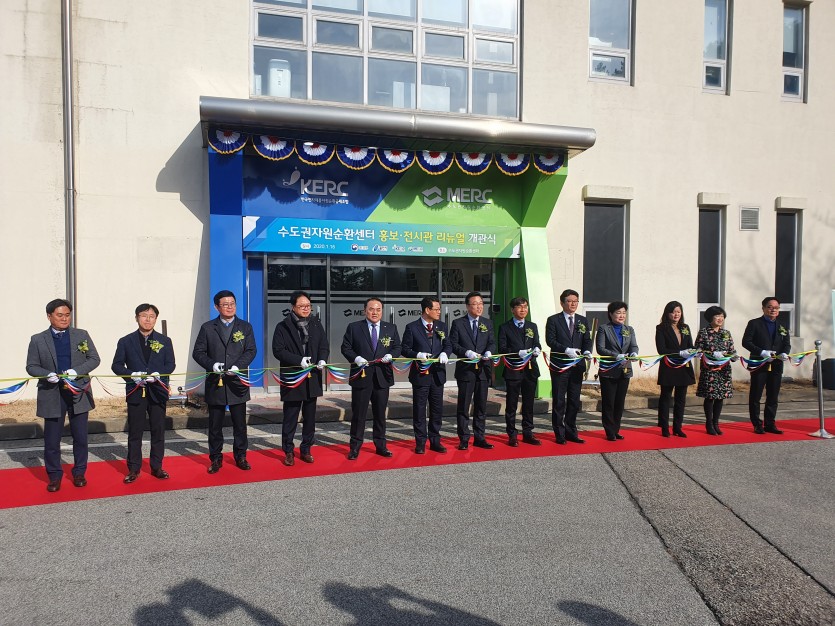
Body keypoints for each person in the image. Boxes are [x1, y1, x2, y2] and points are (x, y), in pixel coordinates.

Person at [26, 299, 101, 492]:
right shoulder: (37, 339)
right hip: (52, 393)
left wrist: (77, 371)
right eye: (60, 315)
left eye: (67, 315)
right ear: (49, 316)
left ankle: (79, 472)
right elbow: (31, 366)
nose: (64, 318)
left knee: (80, 436)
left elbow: (94, 359)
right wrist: (46, 375)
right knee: (52, 439)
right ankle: (54, 476)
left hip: (78, 391)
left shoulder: (81, 335)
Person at [192, 290, 257, 474]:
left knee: (240, 425)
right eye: (225, 304)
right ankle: (215, 458)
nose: (230, 307)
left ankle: (241, 456)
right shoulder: (207, 328)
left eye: (232, 303)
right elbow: (198, 352)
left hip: (237, 383)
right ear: (217, 307)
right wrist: (212, 365)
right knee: (215, 425)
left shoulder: (245, 327)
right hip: (216, 382)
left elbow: (251, 350)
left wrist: (238, 366)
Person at [111, 303, 176, 483]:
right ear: (137, 318)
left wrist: (159, 374)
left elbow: (171, 364)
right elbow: (116, 365)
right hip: (136, 390)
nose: (148, 320)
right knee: (135, 431)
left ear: (156, 319)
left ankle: (157, 466)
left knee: (158, 430)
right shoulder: (126, 341)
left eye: (152, 316)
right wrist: (131, 375)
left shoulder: (165, 341)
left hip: (157, 391)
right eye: (144, 316)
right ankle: (133, 469)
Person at [272, 290, 329, 466]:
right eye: (302, 306)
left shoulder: (316, 324)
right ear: (293, 307)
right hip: (293, 377)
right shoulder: (283, 326)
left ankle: (306, 449)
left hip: (312, 377)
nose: (306, 309)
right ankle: (288, 451)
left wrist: (322, 359)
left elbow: (324, 346)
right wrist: (298, 360)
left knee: (310, 417)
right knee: (291, 416)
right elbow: (278, 350)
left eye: (308, 306)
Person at [341, 297, 402, 460]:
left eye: (378, 309)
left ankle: (381, 445)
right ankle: (355, 447)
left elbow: (398, 347)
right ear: (365, 311)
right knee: (359, 414)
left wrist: (392, 355)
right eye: (371, 309)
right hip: (361, 376)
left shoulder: (391, 328)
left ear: (382, 311)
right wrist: (356, 358)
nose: (375, 312)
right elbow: (346, 348)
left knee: (380, 414)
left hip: (382, 377)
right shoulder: (354, 327)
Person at [401, 296, 452, 454]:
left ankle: (435, 440)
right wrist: (418, 354)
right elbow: (405, 349)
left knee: (437, 409)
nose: (439, 312)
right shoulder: (412, 327)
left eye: (439, 309)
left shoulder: (442, 326)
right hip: (420, 375)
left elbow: (448, 345)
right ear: (427, 310)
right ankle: (420, 442)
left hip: (437, 374)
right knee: (420, 409)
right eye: (436, 309)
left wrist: (445, 353)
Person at [449, 291, 496, 450]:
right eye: (475, 304)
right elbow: (453, 344)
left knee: (481, 406)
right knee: (464, 406)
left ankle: (479, 437)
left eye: (481, 303)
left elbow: (492, 342)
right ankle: (463, 438)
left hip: (483, 370)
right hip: (466, 370)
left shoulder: (487, 323)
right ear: (468, 306)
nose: (479, 307)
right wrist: (466, 352)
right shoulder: (458, 323)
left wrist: (489, 352)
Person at [545, 289, 592, 444]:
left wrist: (587, 351)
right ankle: (559, 433)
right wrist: (566, 350)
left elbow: (587, 340)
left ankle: (571, 431)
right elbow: (550, 340)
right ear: (562, 303)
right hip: (560, 366)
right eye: (570, 301)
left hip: (577, 366)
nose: (573, 304)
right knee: (559, 400)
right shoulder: (553, 320)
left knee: (574, 400)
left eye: (576, 301)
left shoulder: (582, 320)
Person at [742, 297, 791, 435]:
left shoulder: (782, 325)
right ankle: (757, 424)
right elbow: (746, 342)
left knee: (773, 395)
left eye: (776, 307)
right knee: (756, 394)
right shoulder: (754, 323)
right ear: (763, 308)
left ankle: (770, 423)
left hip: (776, 364)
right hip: (759, 363)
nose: (773, 310)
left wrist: (785, 353)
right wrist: (761, 352)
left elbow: (786, 344)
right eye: (770, 307)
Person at [498, 297, 542, 447]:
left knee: (529, 403)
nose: (523, 309)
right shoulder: (505, 327)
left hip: (530, 370)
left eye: (525, 307)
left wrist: (537, 349)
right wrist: (518, 352)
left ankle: (528, 432)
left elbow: (536, 342)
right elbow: (502, 348)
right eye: (519, 307)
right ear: (512, 309)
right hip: (513, 370)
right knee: (512, 404)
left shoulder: (532, 326)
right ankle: (512, 433)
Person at [595, 301, 638, 441]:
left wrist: (634, 353)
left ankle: (616, 429)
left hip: (624, 369)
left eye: (624, 313)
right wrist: (616, 355)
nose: (622, 315)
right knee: (609, 402)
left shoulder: (629, 329)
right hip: (609, 370)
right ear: (611, 314)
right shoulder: (604, 329)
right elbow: (600, 348)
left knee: (620, 402)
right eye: (618, 312)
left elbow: (633, 346)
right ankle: (609, 431)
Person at [654, 301, 696, 438]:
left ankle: (678, 427)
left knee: (681, 399)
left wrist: (695, 351)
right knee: (666, 397)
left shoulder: (685, 327)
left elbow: (690, 345)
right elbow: (662, 349)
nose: (676, 314)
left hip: (684, 367)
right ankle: (664, 427)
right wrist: (679, 352)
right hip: (669, 367)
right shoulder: (661, 328)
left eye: (678, 311)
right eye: (673, 312)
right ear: (667, 313)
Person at [694, 305, 735, 435]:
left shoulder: (726, 333)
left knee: (720, 396)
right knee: (710, 396)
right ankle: (709, 423)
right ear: (710, 317)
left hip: (724, 370)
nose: (720, 318)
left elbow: (731, 349)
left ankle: (716, 423)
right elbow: (698, 350)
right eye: (717, 316)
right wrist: (712, 354)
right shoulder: (704, 332)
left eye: (722, 316)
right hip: (710, 369)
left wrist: (733, 356)